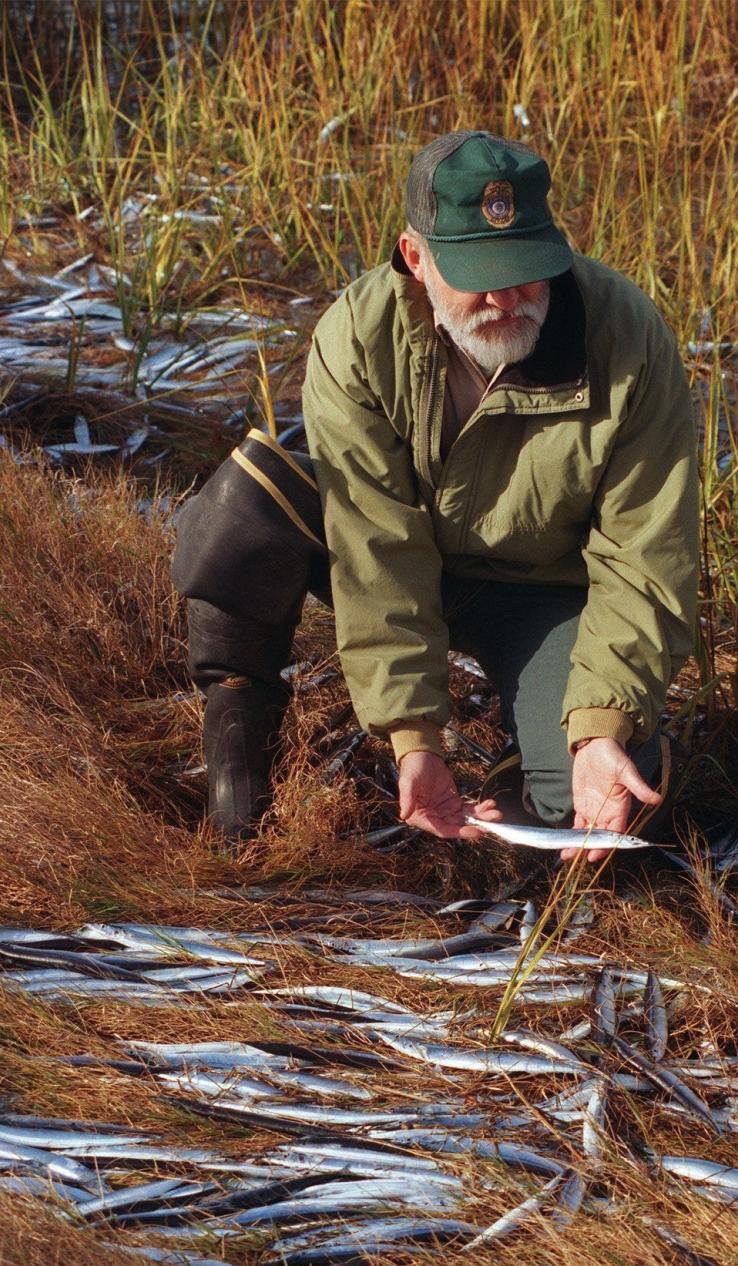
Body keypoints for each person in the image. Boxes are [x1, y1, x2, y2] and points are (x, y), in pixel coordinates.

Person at [172, 130, 699, 862]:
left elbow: (646, 557)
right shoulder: (357, 339)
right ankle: (238, 783)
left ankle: (529, 774)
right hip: (402, 554)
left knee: (608, 803)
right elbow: (374, 546)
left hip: (543, 594)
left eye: (526, 270)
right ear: (416, 259)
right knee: (243, 511)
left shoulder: (628, 338)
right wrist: (413, 737)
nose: (506, 297)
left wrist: (600, 726)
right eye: (480, 274)